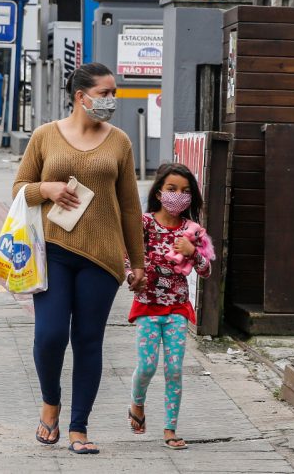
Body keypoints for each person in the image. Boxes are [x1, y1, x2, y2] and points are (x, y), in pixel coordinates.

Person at [12, 62, 145, 455]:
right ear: (80, 96)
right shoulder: (45, 136)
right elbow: (19, 188)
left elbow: (130, 207)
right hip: (52, 251)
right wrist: (46, 188)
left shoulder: (119, 141)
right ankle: (50, 403)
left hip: (101, 258)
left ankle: (79, 428)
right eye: (104, 93)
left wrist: (137, 262)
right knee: (50, 335)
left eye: (113, 94)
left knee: (88, 340)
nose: (110, 101)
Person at [125, 162, 212, 451]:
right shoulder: (145, 223)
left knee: (174, 369)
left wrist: (193, 252)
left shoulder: (193, 230)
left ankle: (170, 429)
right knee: (147, 366)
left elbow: (206, 270)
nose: (179, 196)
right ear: (160, 193)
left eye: (186, 191)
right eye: (172, 189)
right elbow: (128, 258)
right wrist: (131, 275)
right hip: (148, 307)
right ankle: (137, 404)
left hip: (177, 309)